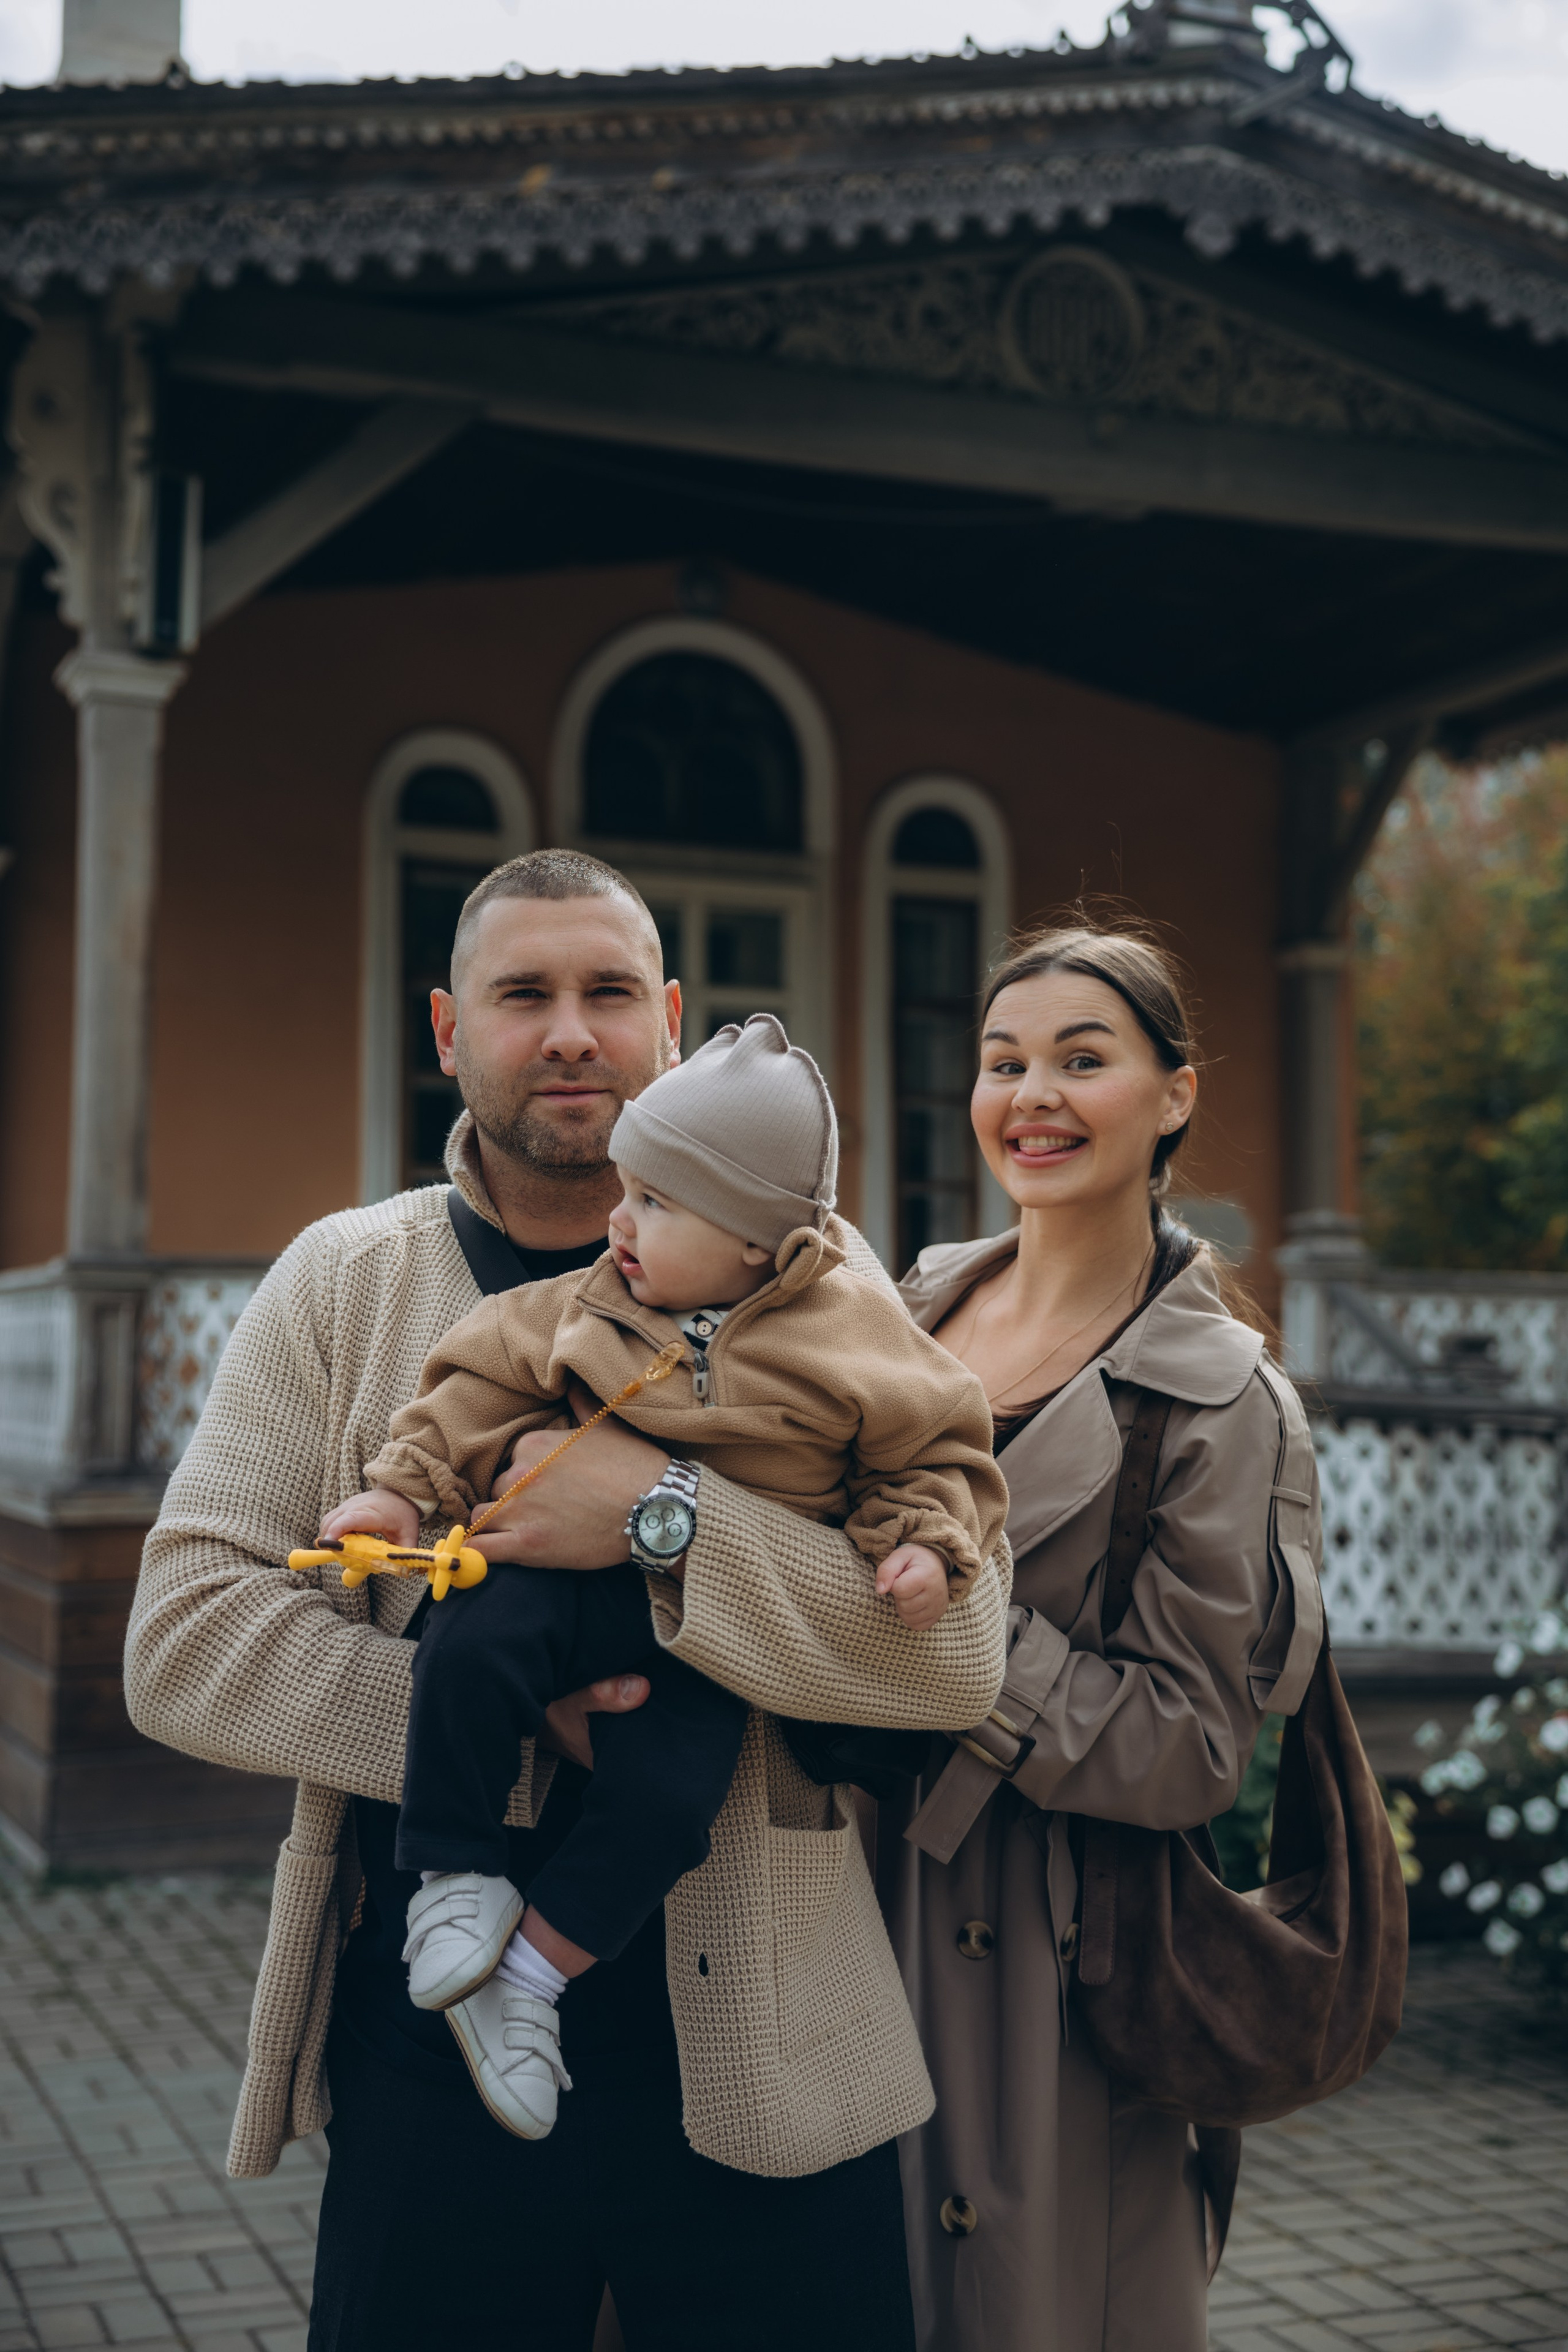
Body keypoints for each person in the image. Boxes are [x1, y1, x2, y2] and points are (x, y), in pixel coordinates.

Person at [124, 847, 1009, 2352]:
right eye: (520, 993)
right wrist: (509, 1724)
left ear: (669, 1023)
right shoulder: (344, 1282)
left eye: (609, 992)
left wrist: (662, 1528)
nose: (570, 1032)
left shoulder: (822, 1283)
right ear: (446, 1030)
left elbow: (954, 1662)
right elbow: (185, 1638)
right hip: (426, 2029)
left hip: (768, 2031)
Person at [328, 1012, 1003, 2141]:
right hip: (554, 1581)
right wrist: (401, 1494)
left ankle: (531, 1981)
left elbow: (935, 1450)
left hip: (712, 1632)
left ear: (760, 1245)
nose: (619, 1222)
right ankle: (455, 1876)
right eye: (626, 1191)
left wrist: (925, 1547)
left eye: (656, 1203)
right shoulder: (592, 1298)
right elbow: (473, 1388)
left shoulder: (855, 1336)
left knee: (671, 1802)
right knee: (471, 1641)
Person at [876, 918, 1323, 2352]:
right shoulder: (899, 1315)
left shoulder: (1218, 1398)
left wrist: (949, 1634)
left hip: (1043, 1979)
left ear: (1173, 1094)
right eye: (1002, 1062)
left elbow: (1191, 1748)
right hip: (829, 1911)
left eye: (1083, 1058)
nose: (1032, 1097)